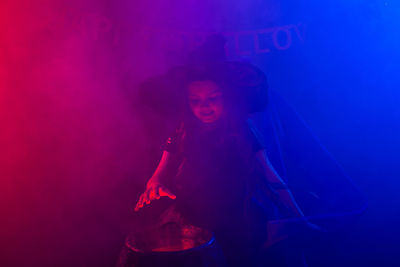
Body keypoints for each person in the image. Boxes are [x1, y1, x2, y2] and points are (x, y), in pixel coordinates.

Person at [134, 65, 315, 266]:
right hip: (193, 222)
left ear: (226, 98)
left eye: (213, 98)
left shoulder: (242, 129)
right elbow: (159, 173)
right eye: (196, 100)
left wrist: (300, 219)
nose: (204, 106)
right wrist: (154, 185)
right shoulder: (184, 129)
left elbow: (273, 179)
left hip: (237, 223)